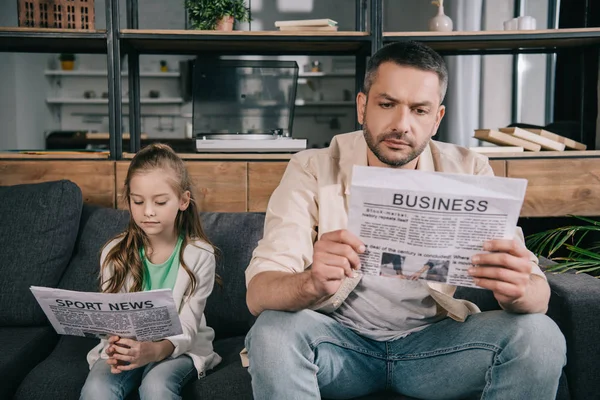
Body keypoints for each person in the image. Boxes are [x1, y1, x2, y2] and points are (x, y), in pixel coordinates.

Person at [244, 41, 566, 400]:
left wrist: (518, 292)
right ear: (362, 105)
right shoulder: (312, 168)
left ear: (437, 119)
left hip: (435, 348)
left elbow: (538, 295)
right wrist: (311, 283)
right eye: (386, 104)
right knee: (271, 330)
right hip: (338, 344)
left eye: (419, 110)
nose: (402, 125)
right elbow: (258, 295)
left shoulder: (469, 168)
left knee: (541, 335)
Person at [80, 144, 221, 400]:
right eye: (138, 201)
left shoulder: (200, 254)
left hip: (180, 347)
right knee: (96, 389)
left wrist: (153, 351)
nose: (148, 212)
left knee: (156, 386)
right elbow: (111, 316)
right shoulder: (114, 252)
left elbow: (187, 328)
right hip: (128, 346)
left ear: (183, 201)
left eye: (160, 202)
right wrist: (115, 343)